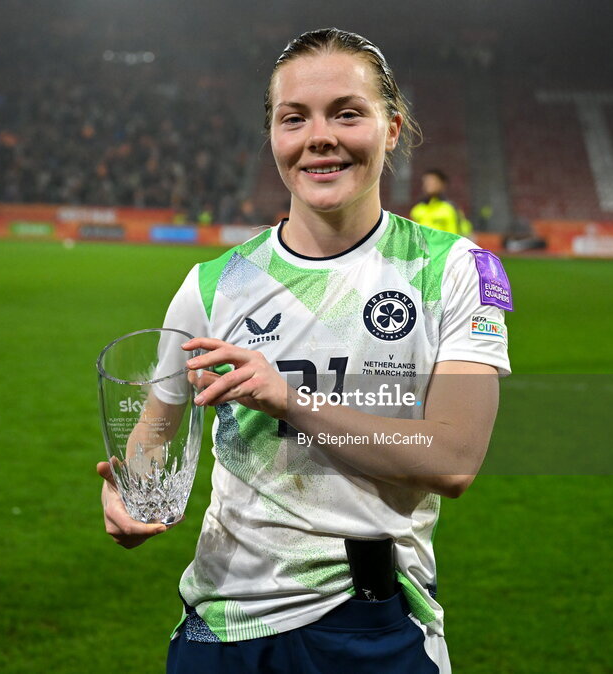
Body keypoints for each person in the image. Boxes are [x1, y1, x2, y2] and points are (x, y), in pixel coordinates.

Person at [97, 28, 512, 673]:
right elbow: (154, 431)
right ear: (274, 138)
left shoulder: (458, 271)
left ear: (392, 129)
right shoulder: (215, 284)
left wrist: (290, 399)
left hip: (374, 626)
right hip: (221, 625)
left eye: (348, 113)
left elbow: (453, 459)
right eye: (295, 118)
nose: (320, 136)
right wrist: (132, 491)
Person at [409, 169, 473, 238]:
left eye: (433, 182)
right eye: (426, 182)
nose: (429, 185)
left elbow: (460, 233)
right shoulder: (417, 209)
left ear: (442, 184)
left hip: (445, 247)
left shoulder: (450, 208)